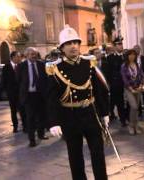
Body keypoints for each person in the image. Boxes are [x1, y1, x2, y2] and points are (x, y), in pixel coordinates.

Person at [46, 25, 110, 180]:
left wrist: (104, 113)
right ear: (62, 48)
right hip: (70, 117)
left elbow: (98, 91)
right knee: (75, 158)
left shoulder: (89, 63)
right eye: (68, 43)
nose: (73, 46)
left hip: (90, 114)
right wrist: (54, 122)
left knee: (98, 154)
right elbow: (51, 98)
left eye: (75, 42)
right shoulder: (54, 69)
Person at [17, 47, 48, 147]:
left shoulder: (41, 65)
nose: (34, 55)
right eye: (31, 54)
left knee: (41, 116)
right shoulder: (21, 66)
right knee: (30, 118)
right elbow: (18, 81)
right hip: (28, 96)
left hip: (40, 95)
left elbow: (45, 79)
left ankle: (41, 134)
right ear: (26, 55)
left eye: (35, 54)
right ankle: (32, 140)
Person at [121, 49, 144, 135]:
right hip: (129, 89)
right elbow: (124, 79)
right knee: (134, 106)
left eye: (133, 55)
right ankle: (131, 125)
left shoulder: (137, 65)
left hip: (138, 88)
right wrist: (130, 88)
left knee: (136, 108)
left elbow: (141, 76)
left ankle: (136, 125)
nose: (132, 56)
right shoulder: (124, 66)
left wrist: (141, 85)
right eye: (130, 55)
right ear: (127, 56)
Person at [2, 51, 26, 133]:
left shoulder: (22, 66)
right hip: (12, 93)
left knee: (23, 110)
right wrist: (7, 91)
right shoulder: (6, 67)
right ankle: (15, 126)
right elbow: (4, 80)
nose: (19, 58)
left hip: (21, 93)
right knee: (13, 111)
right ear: (12, 57)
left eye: (20, 56)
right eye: (18, 56)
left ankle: (25, 126)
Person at [106, 37, 128, 126]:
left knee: (122, 103)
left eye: (121, 44)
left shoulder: (126, 56)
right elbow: (108, 72)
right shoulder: (110, 57)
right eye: (119, 44)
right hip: (115, 84)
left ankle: (124, 119)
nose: (121, 46)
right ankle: (112, 116)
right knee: (115, 102)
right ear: (114, 47)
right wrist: (110, 83)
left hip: (126, 84)